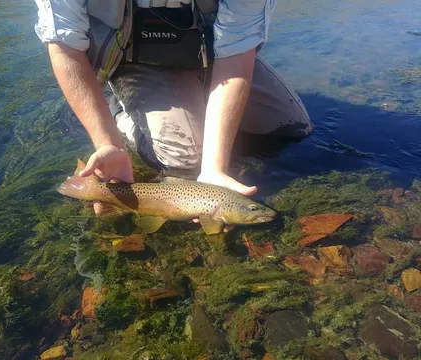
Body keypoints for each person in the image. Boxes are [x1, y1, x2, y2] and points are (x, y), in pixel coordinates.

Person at [33, 0, 313, 229]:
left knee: (291, 127)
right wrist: (107, 142)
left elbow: (237, 53)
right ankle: (116, 105)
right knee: (184, 158)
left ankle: (195, 95)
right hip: (125, 55)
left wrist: (214, 168)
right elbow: (64, 46)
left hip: (208, 48)